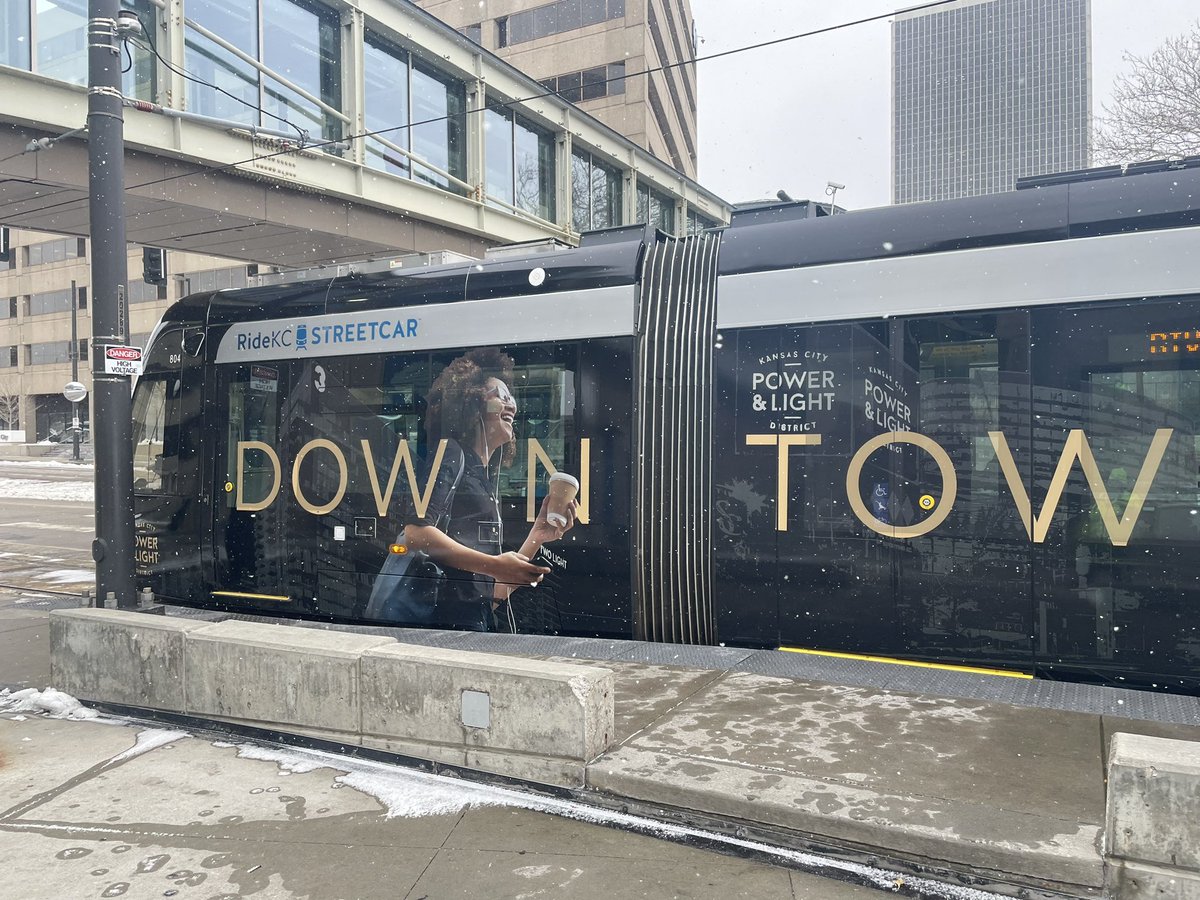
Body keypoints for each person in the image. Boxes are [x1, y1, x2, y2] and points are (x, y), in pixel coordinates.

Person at [401, 347, 576, 630]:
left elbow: (493, 594)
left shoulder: (484, 480)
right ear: (472, 402)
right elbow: (415, 534)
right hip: (446, 630)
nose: (513, 406)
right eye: (501, 396)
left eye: (512, 398)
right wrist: (494, 565)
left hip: (471, 627)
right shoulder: (452, 454)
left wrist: (538, 535)